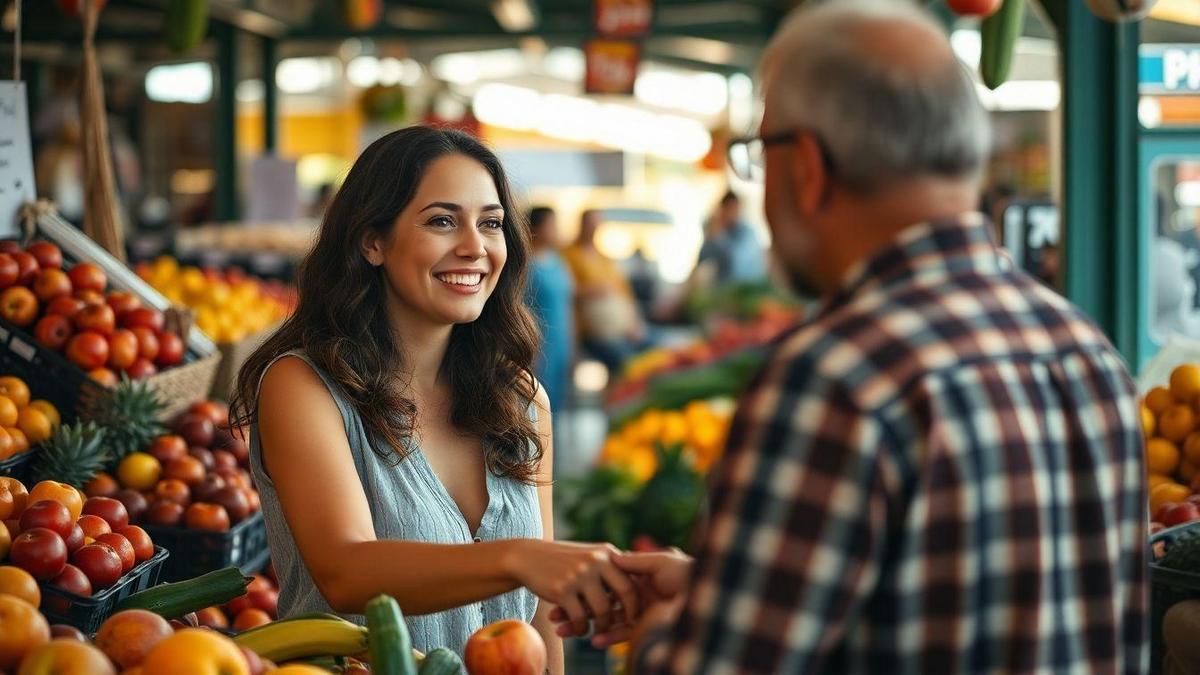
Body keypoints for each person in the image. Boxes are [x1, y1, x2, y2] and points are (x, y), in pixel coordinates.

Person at [556, 1, 1147, 672]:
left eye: (759, 152)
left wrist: (670, 625)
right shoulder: (1085, 353)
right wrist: (720, 589)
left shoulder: (835, 377)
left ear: (806, 166)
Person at [229, 127, 641, 668]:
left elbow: (542, 621)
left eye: (490, 223)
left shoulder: (521, 400)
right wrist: (518, 558)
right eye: (442, 221)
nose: (475, 247)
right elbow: (346, 571)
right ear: (371, 240)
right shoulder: (303, 387)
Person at [562, 209, 648, 374]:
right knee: (628, 363)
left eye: (597, 224)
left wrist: (634, 322)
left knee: (655, 350)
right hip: (595, 333)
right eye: (590, 224)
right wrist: (592, 291)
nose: (594, 228)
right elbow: (566, 291)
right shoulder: (568, 255)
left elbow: (625, 293)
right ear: (581, 225)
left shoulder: (605, 257)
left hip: (623, 329)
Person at [525, 206, 575, 417]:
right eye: (551, 225)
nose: (556, 230)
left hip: (561, 342)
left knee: (559, 404)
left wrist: (574, 343)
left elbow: (569, 303)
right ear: (536, 229)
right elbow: (522, 308)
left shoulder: (559, 262)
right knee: (539, 404)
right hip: (540, 346)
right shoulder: (527, 267)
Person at [695, 191, 766, 286]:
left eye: (733, 209)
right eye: (726, 209)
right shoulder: (721, 230)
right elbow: (702, 259)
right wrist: (709, 236)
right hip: (725, 290)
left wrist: (718, 236)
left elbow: (735, 262)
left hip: (748, 289)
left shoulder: (747, 233)